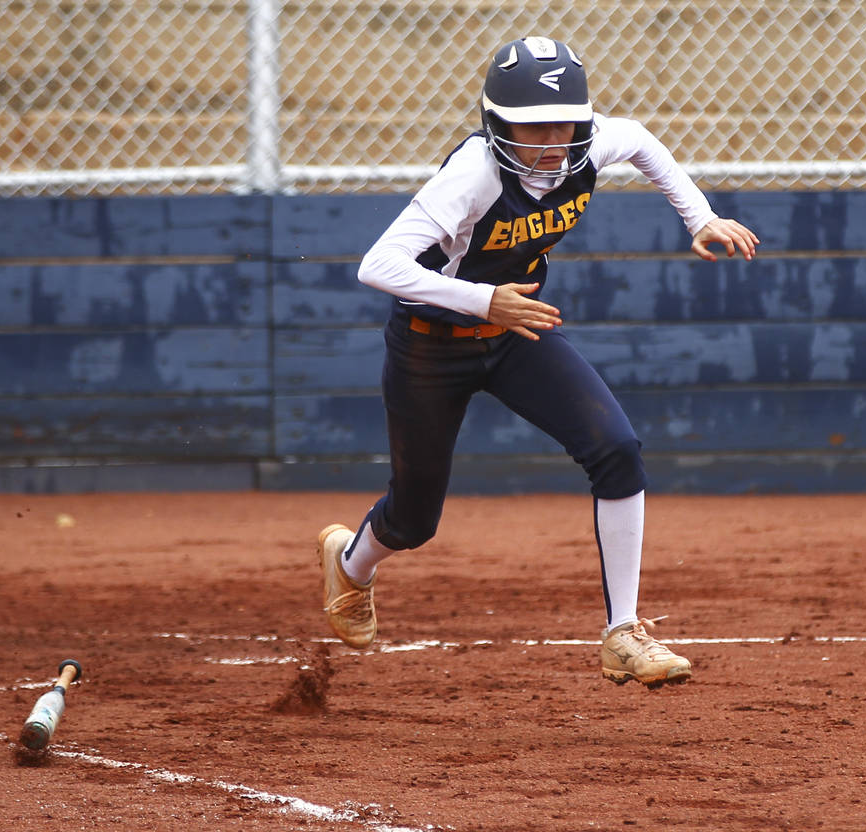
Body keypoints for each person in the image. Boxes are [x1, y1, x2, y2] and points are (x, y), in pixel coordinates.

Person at [317, 36, 759, 688]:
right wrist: (480, 300)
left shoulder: (587, 145)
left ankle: (624, 634)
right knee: (413, 519)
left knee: (616, 448)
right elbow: (377, 266)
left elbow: (640, 141)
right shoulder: (474, 175)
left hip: (515, 332)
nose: (553, 139)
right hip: (430, 345)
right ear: (498, 125)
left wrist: (698, 217)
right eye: (532, 127)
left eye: (564, 123)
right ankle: (350, 566)